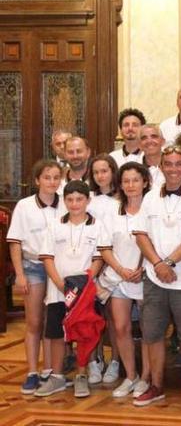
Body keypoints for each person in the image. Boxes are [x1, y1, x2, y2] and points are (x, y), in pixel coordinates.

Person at [131, 145, 181, 408]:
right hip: (155, 279)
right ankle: (156, 386)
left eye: (179, 164)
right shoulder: (151, 197)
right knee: (153, 334)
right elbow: (141, 234)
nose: (174, 169)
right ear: (162, 167)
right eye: (169, 164)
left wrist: (169, 262)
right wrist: (157, 264)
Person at [35, 180, 109, 399]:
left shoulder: (97, 226)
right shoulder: (55, 225)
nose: (75, 204)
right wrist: (60, 284)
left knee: (84, 334)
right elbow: (47, 258)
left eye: (79, 199)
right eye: (70, 199)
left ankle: (81, 375)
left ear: (87, 200)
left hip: (84, 293)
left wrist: (84, 283)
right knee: (57, 335)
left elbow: (99, 258)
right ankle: (57, 377)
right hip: (58, 292)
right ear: (64, 201)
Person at [7, 160, 66, 394]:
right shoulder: (24, 206)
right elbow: (15, 242)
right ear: (37, 180)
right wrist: (19, 274)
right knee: (34, 322)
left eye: (55, 177)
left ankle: (49, 370)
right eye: (47, 177)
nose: (52, 182)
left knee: (53, 322)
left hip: (59, 268)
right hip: (32, 267)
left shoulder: (66, 204)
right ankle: (32, 371)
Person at [102, 162, 152, 398]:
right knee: (121, 327)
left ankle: (146, 377)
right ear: (120, 185)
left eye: (135, 180)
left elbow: (157, 243)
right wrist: (121, 270)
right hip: (118, 278)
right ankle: (130, 375)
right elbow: (104, 247)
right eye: (126, 181)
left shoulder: (153, 208)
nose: (131, 185)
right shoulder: (112, 211)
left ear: (145, 182)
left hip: (147, 276)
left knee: (149, 328)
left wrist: (142, 268)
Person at [84, 154, 122, 384]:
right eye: (96, 172)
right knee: (92, 317)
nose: (100, 176)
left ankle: (116, 361)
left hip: (115, 265)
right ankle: (95, 360)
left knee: (114, 318)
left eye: (105, 171)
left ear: (113, 172)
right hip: (91, 264)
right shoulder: (88, 199)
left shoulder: (122, 200)